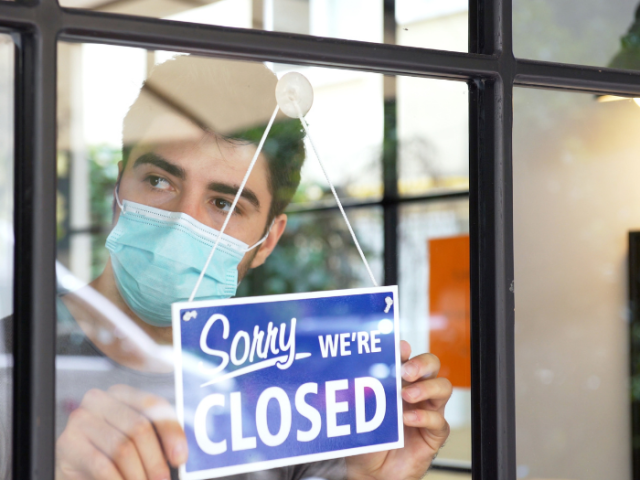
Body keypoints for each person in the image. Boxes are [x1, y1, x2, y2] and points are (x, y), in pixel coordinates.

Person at [53, 54, 453, 480]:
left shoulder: (298, 404)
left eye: (225, 205)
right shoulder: (11, 363)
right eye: (159, 181)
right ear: (118, 187)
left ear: (269, 241)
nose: (181, 222)